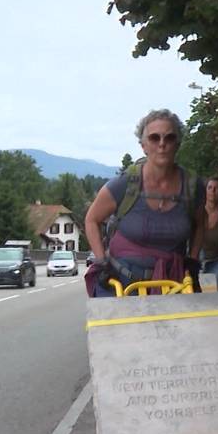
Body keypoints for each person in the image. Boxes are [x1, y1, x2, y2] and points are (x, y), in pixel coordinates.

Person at [83, 109, 206, 297]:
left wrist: (193, 259)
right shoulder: (125, 184)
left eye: (169, 137)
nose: (162, 144)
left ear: (178, 143)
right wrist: (101, 262)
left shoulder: (193, 186)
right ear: (143, 146)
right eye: (154, 138)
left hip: (173, 283)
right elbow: (92, 219)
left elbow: (201, 224)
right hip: (121, 283)